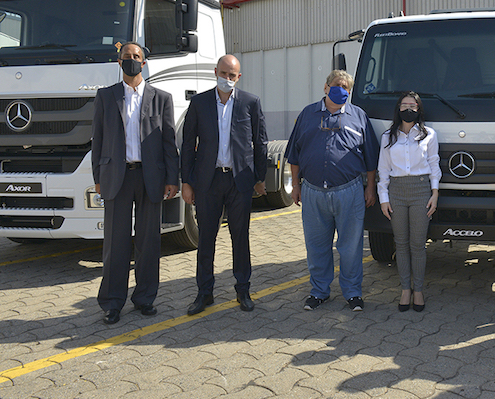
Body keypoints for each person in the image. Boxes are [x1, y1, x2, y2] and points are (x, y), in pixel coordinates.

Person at [92, 42, 179, 325]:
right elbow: (98, 140)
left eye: (136, 56)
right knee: (115, 243)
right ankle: (112, 302)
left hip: (149, 177)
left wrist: (172, 179)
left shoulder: (161, 98)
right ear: (119, 62)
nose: (131, 60)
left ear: (144, 62)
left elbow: (169, 142)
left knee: (148, 242)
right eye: (126, 57)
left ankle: (145, 298)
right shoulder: (106, 97)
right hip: (116, 178)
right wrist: (98, 178)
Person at [181, 54, 269, 315]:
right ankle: (204, 293)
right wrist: (187, 182)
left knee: (240, 237)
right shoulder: (199, 103)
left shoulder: (250, 103)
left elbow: (260, 142)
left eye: (232, 75)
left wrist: (259, 178)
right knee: (206, 238)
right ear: (215, 72)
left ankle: (243, 290)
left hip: (239, 181)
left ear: (238, 77)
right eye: (223, 73)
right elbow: (188, 144)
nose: (227, 79)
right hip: (208, 182)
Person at [286, 70, 380, 312]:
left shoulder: (358, 116)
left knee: (350, 247)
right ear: (326, 87)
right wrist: (295, 185)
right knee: (316, 246)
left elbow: (371, 157)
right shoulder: (307, 114)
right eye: (338, 85)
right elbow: (294, 154)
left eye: (347, 87)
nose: (342, 90)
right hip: (313, 192)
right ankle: (319, 292)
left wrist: (370, 188)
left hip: (349, 191)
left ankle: (353, 293)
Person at [378, 92, 441, 312]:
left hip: (421, 191)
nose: (408, 109)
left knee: (418, 244)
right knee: (401, 243)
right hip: (396, 191)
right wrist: (384, 199)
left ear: (418, 109)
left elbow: (434, 164)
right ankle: (405, 289)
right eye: (404, 105)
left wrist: (435, 193)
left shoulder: (428, 135)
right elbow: (383, 169)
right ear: (398, 108)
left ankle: (419, 290)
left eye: (412, 106)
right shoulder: (388, 136)